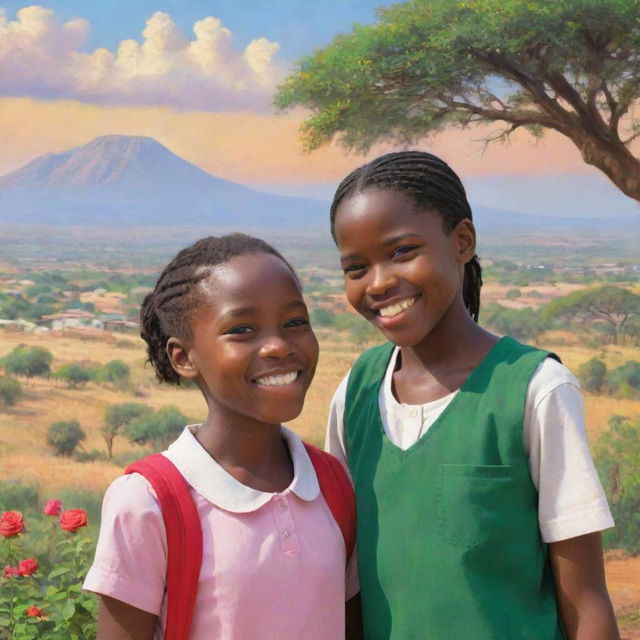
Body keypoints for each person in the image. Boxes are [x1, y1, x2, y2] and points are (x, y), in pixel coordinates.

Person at [325, 151, 620, 640]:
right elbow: (349, 583)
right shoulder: (356, 392)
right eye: (356, 267)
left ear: (462, 241)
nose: (378, 282)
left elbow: (584, 599)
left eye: (401, 252)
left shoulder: (535, 389)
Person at [84, 234, 361, 640]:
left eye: (295, 323)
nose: (279, 346)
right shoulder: (149, 502)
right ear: (184, 357)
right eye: (243, 329)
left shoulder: (332, 484)